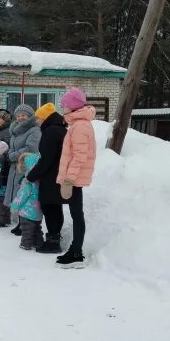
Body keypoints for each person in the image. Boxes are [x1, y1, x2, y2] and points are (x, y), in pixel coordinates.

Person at [55, 88, 97, 269]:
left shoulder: (80, 126)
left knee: (77, 215)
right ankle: (75, 250)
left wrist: (69, 180)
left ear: (71, 106)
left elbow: (79, 156)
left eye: (64, 104)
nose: (62, 106)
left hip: (75, 179)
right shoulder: (78, 124)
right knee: (75, 214)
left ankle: (77, 253)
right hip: (74, 178)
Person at [26, 103, 67, 254]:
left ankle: (53, 242)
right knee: (56, 207)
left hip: (51, 176)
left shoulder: (50, 132)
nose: (37, 121)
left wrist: (32, 175)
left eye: (39, 118)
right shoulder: (61, 129)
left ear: (45, 118)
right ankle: (55, 238)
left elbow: (46, 159)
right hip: (59, 175)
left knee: (50, 208)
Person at [3, 104, 41, 236]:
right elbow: (12, 147)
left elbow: (31, 148)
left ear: (30, 116)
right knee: (16, 194)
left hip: (26, 167)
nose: (20, 118)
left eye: (23, 115)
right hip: (15, 167)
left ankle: (26, 225)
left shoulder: (34, 130)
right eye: (18, 115)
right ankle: (20, 223)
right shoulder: (15, 130)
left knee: (24, 195)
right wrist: (8, 153)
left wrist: (12, 156)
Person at [11, 153, 43, 250]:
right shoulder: (39, 181)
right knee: (37, 228)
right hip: (38, 211)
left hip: (27, 211)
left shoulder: (27, 181)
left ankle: (26, 244)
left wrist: (14, 205)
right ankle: (39, 243)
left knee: (27, 229)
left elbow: (22, 195)